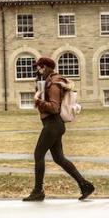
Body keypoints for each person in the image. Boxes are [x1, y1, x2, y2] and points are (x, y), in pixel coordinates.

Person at [23, 57, 94, 202]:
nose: (37, 70)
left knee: (38, 154)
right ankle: (85, 185)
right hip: (53, 125)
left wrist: (38, 101)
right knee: (59, 158)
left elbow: (54, 107)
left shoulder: (54, 84)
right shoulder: (47, 82)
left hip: (53, 125)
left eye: (39, 67)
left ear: (46, 67)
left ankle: (38, 191)